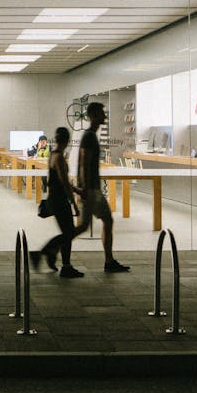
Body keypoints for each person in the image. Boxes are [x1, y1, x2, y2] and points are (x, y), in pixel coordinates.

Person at [75, 102, 130, 273]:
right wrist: (84, 188)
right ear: (93, 116)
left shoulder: (90, 136)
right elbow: (83, 164)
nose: (104, 116)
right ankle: (51, 249)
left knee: (103, 220)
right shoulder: (89, 136)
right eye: (101, 113)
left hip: (91, 189)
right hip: (91, 190)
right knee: (88, 225)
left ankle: (109, 260)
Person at [31, 126, 84, 278]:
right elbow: (64, 183)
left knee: (67, 233)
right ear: (67, 141)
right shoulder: (59, 157)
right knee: (68, 233)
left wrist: (77, 191)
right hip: (60, 200)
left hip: (54, 198)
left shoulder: (53, 155)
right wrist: (74, 203)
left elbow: (60, 181)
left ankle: (52, 255)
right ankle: (47, 255)